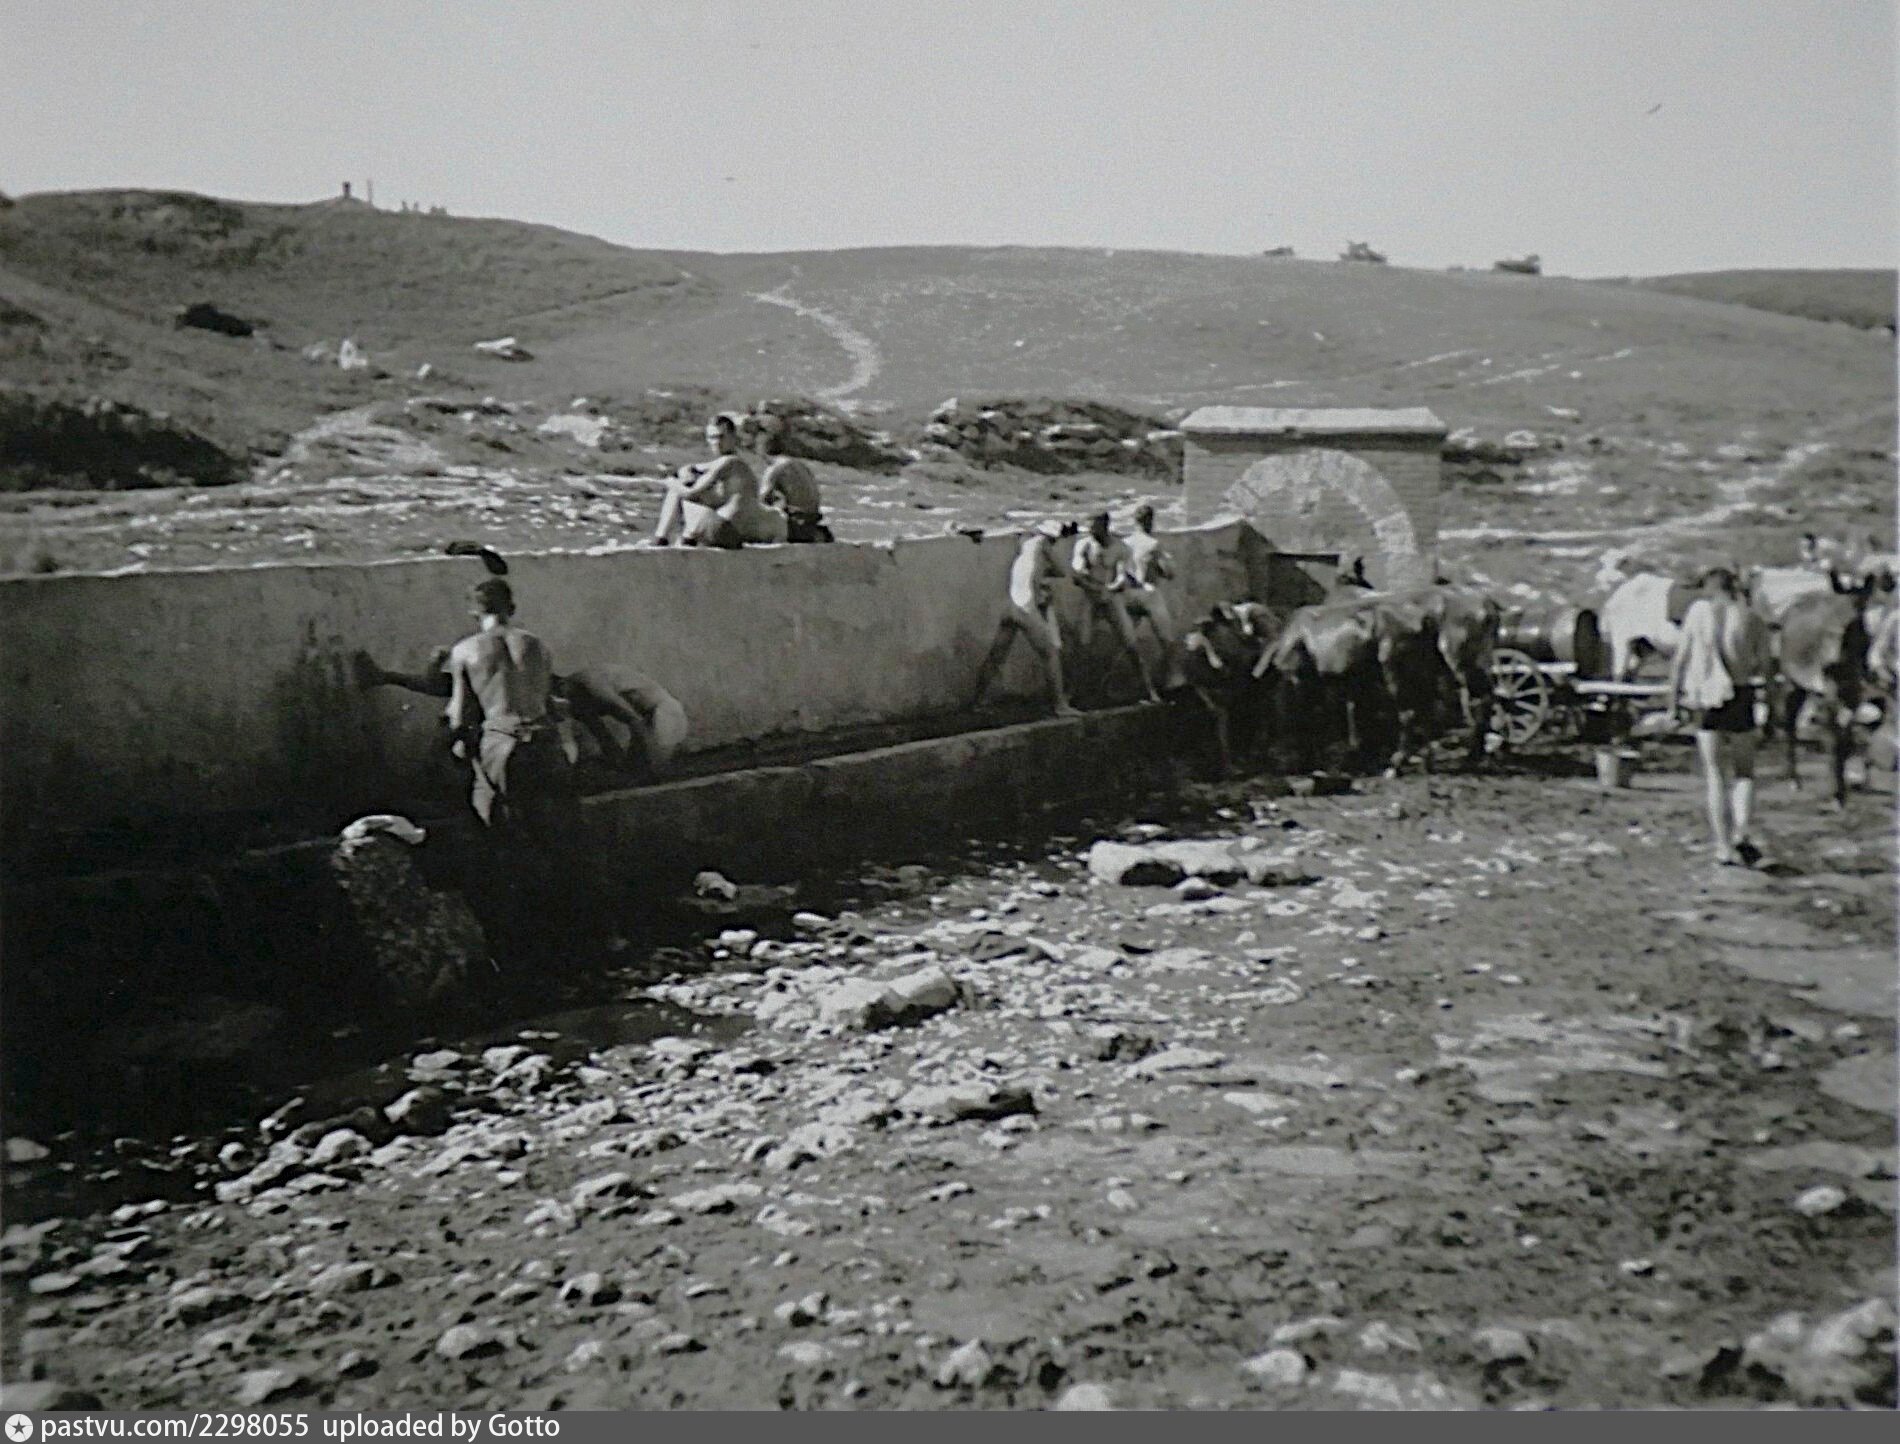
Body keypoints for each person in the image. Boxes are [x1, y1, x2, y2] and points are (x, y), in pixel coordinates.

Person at [1666, 566, 1773, 866]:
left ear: (1709, 588)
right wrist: (1772, 706)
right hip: (1740, 694)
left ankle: (1723, 847)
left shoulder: (1697, 613)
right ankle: (1742, 830)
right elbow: (1767, 668)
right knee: (1744, 772)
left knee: (1714, 774)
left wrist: (1673, 702)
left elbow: (1680, 660)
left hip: (1707, 696)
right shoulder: (1751, 618)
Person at [445, 579, 572, 833]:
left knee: (497, 822)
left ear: (475, 613)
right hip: (546, 742)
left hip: (502, 744)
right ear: (512, 608)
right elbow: (550, 701)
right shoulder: (538, 645)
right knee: (556, 830)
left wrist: (458, 745)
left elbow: (458, 718)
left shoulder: (464, 651)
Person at [971, 521, 1080, 718]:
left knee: (997, 656)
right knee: (1050, 654)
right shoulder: (1043, 544)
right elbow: (1062, 570)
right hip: (1026, 607)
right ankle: (1060, 706)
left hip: (1010, 604)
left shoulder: (1025, 543)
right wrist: (1048, 568)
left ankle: (979, 702)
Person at [646, 414, 786, 547]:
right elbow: (697, 468)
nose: (717, 443)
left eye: (721, 437)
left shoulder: (729, 462)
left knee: (677, 490)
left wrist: (670, 482)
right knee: (694, 489)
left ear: (733, 437)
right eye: (712, 438)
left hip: (724, 529)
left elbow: (691, 493)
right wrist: (687, 471)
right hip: (735, 531)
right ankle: (685, 539)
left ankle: (661, 537)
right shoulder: (738, 464)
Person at [1070, 511, 1162, 703]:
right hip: (1091, 596)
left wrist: (1110, 589)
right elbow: (1077, 574)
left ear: (1104, 526)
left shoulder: (1120, 548)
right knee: (1082, 645)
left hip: (1112, 598)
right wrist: (1094, 587)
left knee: (1131, 644)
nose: (1090, 532)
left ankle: (1149, 691)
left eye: (1094, 528)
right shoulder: (1084, 545)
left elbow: (1122, 577)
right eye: (1089, 528)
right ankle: (1075, 693)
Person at [1119, 503, 1185, 689]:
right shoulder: (1153, 544)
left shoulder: (1125, 543)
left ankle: (1132, 679)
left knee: (1127, 640)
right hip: (1148, 594)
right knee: (1167, 639)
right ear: (1150, 521)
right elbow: (1169, 573)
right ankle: (1173, 677)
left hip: (1127, 594)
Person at [757, 427, 833, 543]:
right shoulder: (799, 464)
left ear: (762, 450)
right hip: (814, 519)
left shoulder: (774, 468)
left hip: (799, 522)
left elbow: (762, 501)